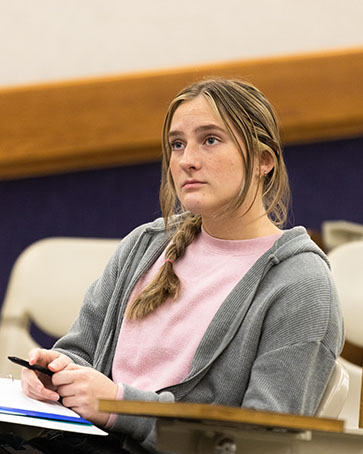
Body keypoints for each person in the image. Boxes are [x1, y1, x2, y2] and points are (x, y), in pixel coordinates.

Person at [20, 78, 344, 454]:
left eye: (210, 140)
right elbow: (81, 351)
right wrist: (55, 373)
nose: (187, 159)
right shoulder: (145, 246)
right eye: (177, 144)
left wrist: (119, 406)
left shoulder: (300, 284)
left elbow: (263, 442)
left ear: (263, 161)